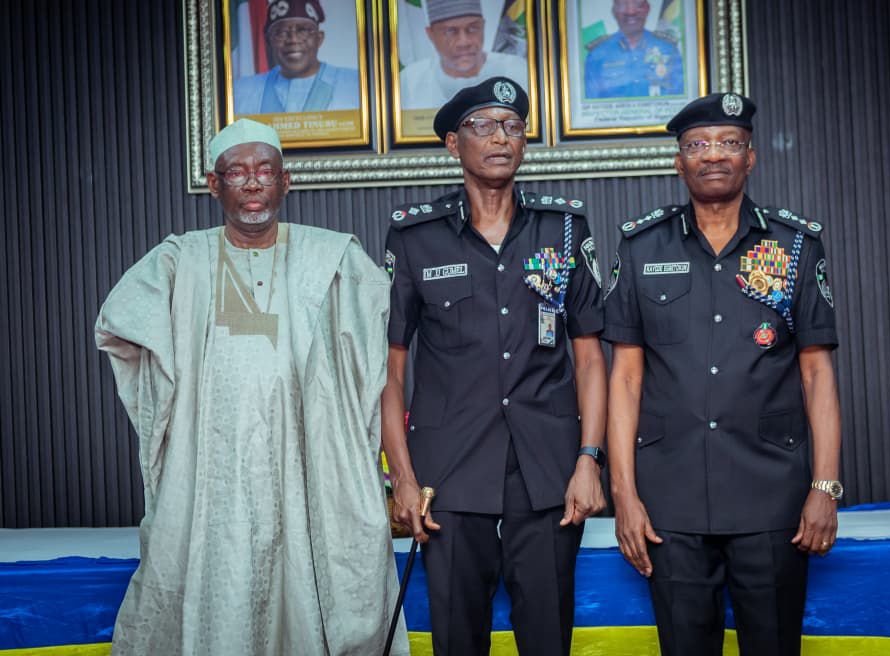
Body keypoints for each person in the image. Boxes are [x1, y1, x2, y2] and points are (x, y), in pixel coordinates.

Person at [94, 118, 407, 656]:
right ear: (214, 185)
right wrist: (173, 409)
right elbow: (119, 328)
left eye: (265, 169)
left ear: (286, 181)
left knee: (316, 586)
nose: (253, 181)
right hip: (212, 471)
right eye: (236, 172)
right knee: (221, 585)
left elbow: (374, 360)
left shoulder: (333, 259)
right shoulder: (179, 260)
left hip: (311, 463)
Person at [604, 92, 843, 656]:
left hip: (772, 500)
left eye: (729, 142)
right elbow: (625, 380)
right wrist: (624, 496)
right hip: (670, 502)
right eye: (698, 145)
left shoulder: (794, 245)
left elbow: (817, 375)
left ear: (750, 157)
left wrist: (825, 487)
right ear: (678, 162)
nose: (714, 155)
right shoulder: (641, 246)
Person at [381, 77, 607, 655]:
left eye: (512, 126)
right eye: (482, 126)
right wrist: (402, 478)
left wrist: (589, 459)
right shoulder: (415, 236)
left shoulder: (564, 228)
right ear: (453, 144)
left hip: (549, 470)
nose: (500, 138)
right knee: (458, 638)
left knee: (548, 637)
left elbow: (589, 359)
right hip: (448, 475)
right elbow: (390, 371)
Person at [235, 0, 359, 115]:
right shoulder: (241, 91)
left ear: (319, 38)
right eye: (281, 33)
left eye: (303, 30)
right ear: (268, 42)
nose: (293, 40)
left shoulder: (356, 84)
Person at [400, 0, 529, 110]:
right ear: (431, 34)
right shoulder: (410, 80)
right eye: (450, 31)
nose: (464, 42)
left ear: (483, 26)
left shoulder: (518, 71)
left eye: (473, 28)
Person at [584, 0, 683, 99]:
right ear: (614, 11)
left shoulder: (668, 49)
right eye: (623, 5)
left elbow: (680, 98)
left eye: (638, 5)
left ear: (647, 9)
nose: (631, 11)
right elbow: (591, 101)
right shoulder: (597, 54)